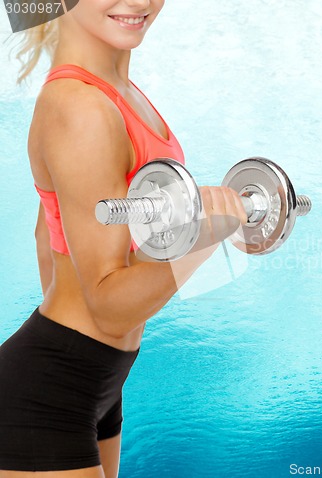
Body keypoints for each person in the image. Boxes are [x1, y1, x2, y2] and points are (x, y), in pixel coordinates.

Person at [0, 0, 248, 476]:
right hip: (48, 395)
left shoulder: (118, 93)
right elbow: (108, 308)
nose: (139, 2)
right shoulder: (81, 107)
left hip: (97, 380)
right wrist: (206, 234)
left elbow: (47, 237)